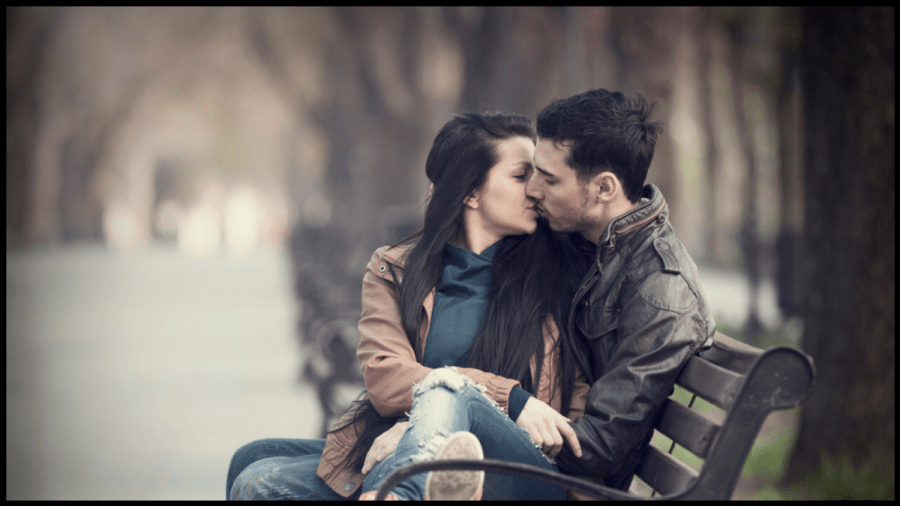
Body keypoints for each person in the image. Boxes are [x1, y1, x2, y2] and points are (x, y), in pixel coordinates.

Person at [226, 111, 593, 500]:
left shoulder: (560, 270)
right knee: (251, 462)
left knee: (447, 388)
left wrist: (432, 419)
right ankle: (414, 479)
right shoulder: (398, 269)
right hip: (414, 447)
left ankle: (404, 492)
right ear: (470, 193)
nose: (536, 190)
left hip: (522, 468)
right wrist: (430, 427)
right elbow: (387, 379)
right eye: (521, 176)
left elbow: (567, 411)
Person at [524, 88, 717, 492]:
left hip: (576, 484)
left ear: (605, 188)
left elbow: (600, 447)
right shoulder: (595, 245)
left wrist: (504, 411)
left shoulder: (660, 289)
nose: (533, 189)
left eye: (550, 178)